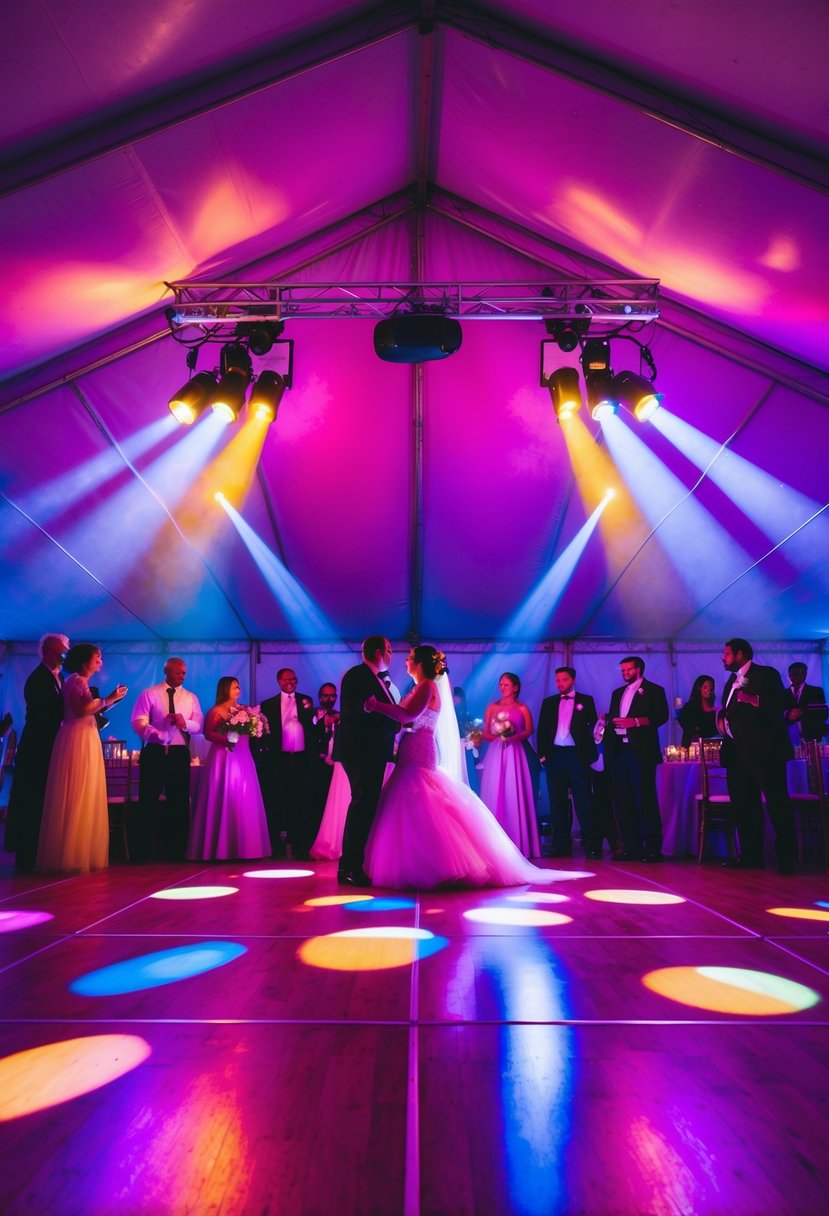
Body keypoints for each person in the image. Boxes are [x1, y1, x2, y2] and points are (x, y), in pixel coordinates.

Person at [363, 645, 557, 889]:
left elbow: (408, 715)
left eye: (410, 658)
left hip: (419, 749)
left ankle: (433, 865)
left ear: (421, 663)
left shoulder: (427, 686)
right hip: (409, 748)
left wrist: (375, 706)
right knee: (409, 803)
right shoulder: (418, 687)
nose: (405, 661)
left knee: (419, 799)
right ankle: (417, 860)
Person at [36, 643, 127, 874]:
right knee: (77, 790)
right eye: (97, 658)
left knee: (85, 790)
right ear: (85, 661)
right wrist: (109, 698)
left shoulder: (77, 681)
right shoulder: (76, 681)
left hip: (84, 735)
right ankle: (71, 854)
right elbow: (82, 709)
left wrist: (110, 700)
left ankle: (79, 850)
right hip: (77, 737)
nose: (100, 662)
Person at [718, 638, 796, 873]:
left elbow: (782, 702)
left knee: (777, 803)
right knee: (744, 805)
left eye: (727, 654)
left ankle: (786, 859)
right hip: (737, 753)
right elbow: (731, 712)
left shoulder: (766, 674)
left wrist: (754, 699)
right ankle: (751, 855)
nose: (723, 658)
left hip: (765, 752)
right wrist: (723, 723)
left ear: (740, 654)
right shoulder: (731, 682)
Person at [186, 677, 271, 860]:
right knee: (224, 794)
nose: (238, 689)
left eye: (239, 686)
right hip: (224, 756)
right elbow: (208, 733)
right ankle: (221, 847)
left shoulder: (245, 710)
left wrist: (256, 728)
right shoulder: (216, 711)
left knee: (245, 796)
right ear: (225, 689)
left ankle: (247, 847)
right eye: (234, 687)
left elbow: (251, 731)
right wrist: (226, 740)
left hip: (243, 757)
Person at [337, 636, 399, 886]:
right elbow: (351, 708)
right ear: (378, 652)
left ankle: (354, 864)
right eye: (389, 650)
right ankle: (349, 868)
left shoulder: (379, 679)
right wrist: (368, 705)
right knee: (362, 804)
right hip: (361, 751)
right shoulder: (357, 674)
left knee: (367, 805)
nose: (392, 655)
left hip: (373, 751)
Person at [4, 633, 69, 872]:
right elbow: (46, 713)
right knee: (31, 799)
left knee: (44, 799)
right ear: (49, 652)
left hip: (50, 744)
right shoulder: (38, 679)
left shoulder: (58, 676)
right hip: (37, 746)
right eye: (62, 651)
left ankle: (41, 851)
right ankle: (27, 854)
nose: (64, 656)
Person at [131, 658, 203, 861]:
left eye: (184, 673)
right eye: (178, 672)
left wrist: (185, 722)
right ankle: (142, 852)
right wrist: (157, 733)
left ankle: (177, 851)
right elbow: (138, 721)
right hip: (155, 751)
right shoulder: (150, 694)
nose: (182, 676)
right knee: (148, 800)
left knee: (179, 802)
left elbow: (199, 725)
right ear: (167, 672)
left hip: (179, 753)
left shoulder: (190, 697)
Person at [602, 655, 669, 862]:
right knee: (623, 800)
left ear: (639, 669)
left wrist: (636, 722)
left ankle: (652, 848)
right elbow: (615, 720)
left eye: (628, 669)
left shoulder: (654, 690)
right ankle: (631, 847)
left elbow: (662, 716)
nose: (624, 673)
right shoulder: (617, 693)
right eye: (622, 670)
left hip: (641, 752)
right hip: (619, 752)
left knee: (645, 798)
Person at [536, 666, 600, 858]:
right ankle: (561, 844)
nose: (560, 683)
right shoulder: (549, 702)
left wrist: (589, 754)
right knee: (557, 802)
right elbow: (543, 729)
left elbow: (592, 728)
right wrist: (543, 755)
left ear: (572, 680)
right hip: (555, 756)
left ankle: (591, 845)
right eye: (557, 680)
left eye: (564, 680)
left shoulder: (586, 701)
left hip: (576, 756)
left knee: (583, 800)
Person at [257, 668, 318, 859]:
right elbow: (263, 733)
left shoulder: (306, 700)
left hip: (300, 759)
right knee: (275, 802)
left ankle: (300, 847)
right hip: (278, 760)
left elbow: (312, 727)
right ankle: (276, 847)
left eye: (295, 678)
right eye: (288, 679)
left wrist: (312, 714)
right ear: (279, 681)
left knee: (300, 803)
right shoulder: (267, 705)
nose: (292, 681)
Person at [479, 672, 540, 858]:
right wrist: (498, 735)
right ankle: (493, 843)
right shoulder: (492, 707)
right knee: (495, 789)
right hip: (497, 753)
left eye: (506, 685)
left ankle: (519, 839)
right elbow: (486, 734)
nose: (502, 687)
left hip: (515, 752)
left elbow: (529, 730)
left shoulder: (522, 708)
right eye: (500, 684)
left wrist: (512, 736)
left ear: (515, 687)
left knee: (514, 789)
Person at [783, 662, 827, 745]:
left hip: (816, 738)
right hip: (790, 740)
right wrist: (788, 715)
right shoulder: (782, 694)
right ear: (790, 676)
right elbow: (777, 716)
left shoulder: (817, 691)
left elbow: (824, 714)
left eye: (803, 673)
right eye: (796, 674)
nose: (800, 676)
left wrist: (803, 711)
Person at [676, 675, 718, 748]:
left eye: (711, 687)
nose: (709, 690)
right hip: (692, 748)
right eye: (705, 687)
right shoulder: (690, 707)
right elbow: (682, 720)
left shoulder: (716, 710)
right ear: (699, 688)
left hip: (710, 747)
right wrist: (694, 731)